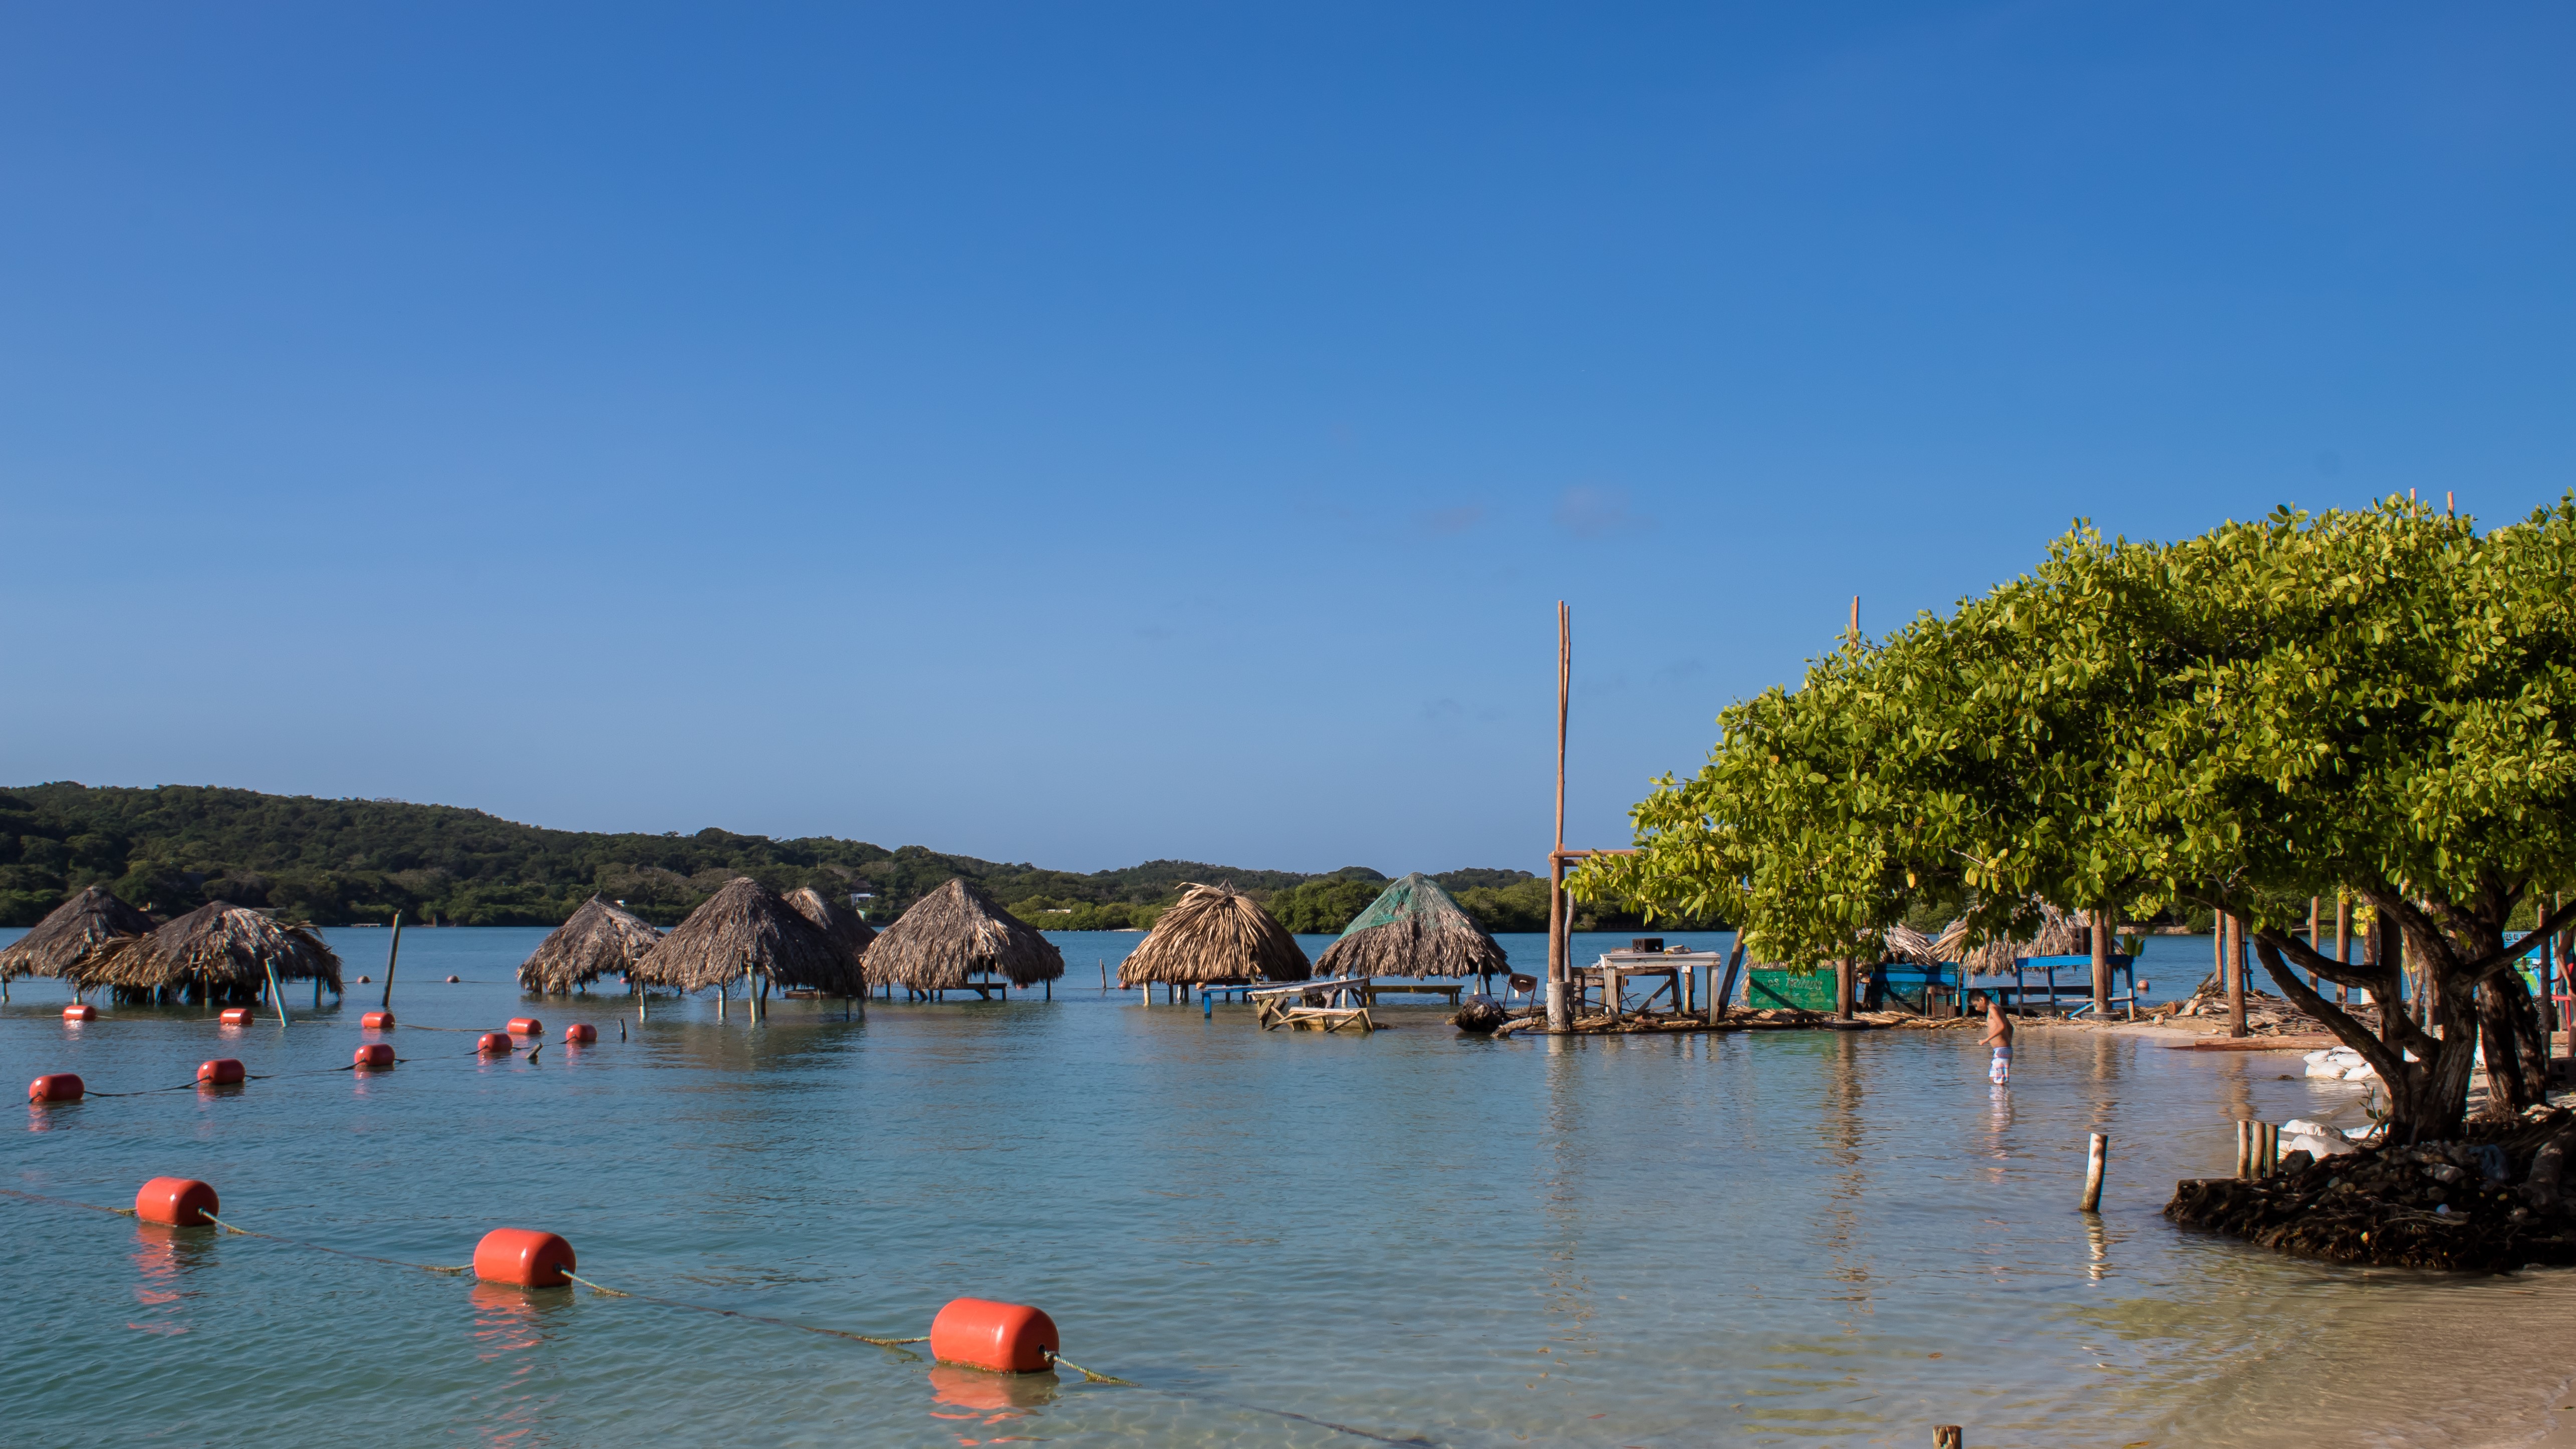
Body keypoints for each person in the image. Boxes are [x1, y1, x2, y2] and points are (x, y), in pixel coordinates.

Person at [1980, 994, 2013, 1084]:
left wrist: (1986, 1040)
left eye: (1976, 1005)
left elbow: (2002, 1026)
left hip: (2001, 1051)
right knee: (1994, 1079)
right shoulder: (1998, 1008)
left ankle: (2003, 1094)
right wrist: (2008, 1042)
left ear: (1982, 1000)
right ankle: (2005, 1093)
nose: (1977, 1009)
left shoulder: (1993, 1009)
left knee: (1998, 1083)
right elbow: (2011, 1027)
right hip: (2003, 1050)